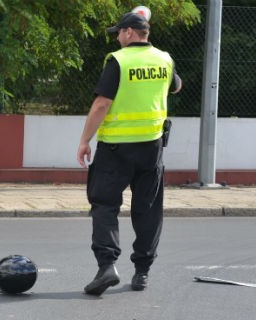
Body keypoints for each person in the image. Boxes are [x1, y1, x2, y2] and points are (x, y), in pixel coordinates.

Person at [76, 10, 182, 296]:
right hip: (152, 148)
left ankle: (107, 266)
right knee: (147, 209)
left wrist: (85, 140)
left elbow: (101, 104)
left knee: (105, 204)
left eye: (119, 33)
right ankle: (142, 272)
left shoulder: (119, 61)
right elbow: (176, 86)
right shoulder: (164, 59)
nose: (118, 38)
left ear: (129, 33)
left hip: (115, 150)